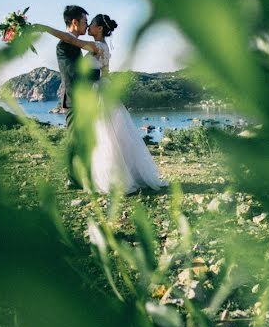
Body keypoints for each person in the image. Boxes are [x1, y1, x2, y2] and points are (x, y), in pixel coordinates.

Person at [35, 13, 169, 194]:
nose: (88, 27)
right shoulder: (104, 47)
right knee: (110, 136)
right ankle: (111, 174)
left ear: (99, 29)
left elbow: (70, 39)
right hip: (102, 90)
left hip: (96, 93)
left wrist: (45, 29)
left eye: (91, 25)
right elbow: (105, 73)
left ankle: (108, 177)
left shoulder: (96, 46)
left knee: (103, 136)